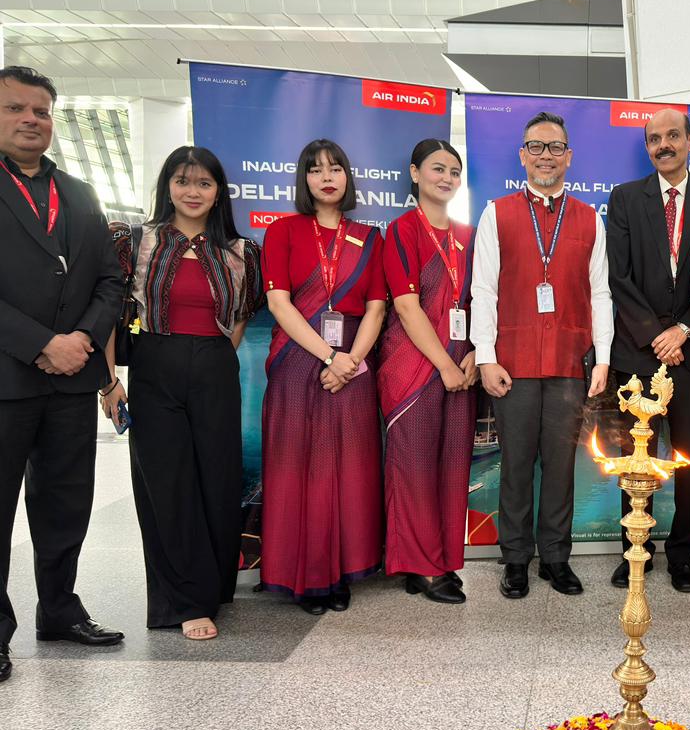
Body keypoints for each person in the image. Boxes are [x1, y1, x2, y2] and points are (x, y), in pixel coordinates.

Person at [100, 146, 264, 640]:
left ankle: (211, 589)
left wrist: (214, 357)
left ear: (219, 192)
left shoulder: (242, 251)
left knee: (218, 480)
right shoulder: (135, 241)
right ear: (167, 187)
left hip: (216, 366)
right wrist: (108, 382)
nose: (193, 191)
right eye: (182, 181)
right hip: (155, 364)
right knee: (166, 485)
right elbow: (108, 314)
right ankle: (184, 602)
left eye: (204, 183)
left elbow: (240, 316)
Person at [0, 65, 126, 681]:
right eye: (16, 108)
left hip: (71, 379)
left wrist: (82, 340)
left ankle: (59, 609)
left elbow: (110, 279)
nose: (31, 120)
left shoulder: (78, 193)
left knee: (65, 503)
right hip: (7, 378)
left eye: (42, 111)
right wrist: (41, 343)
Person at [471, 111, 612, 600]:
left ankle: (555, 557)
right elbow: (483, 290)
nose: (545, 156)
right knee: (515, 465)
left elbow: (600, 293)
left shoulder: (590, 218)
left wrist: (604, 358)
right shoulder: (497, 213)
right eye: (536, 146)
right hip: (512, 362)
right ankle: (515, 559)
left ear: (568, 157)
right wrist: (485, 356)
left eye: (554, 147)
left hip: (570, 363)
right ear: (522, 155)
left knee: (561, 465)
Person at [606, 108, 690, 594]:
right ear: (647, 147)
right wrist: (656, 335)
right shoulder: (625, 198)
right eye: (654, 138)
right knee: (634, 459)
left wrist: (683, 329)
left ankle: (683, 556)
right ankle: (632, 549)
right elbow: (618, 276)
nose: (664, 145)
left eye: (673, 136)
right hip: (638, 354)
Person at [259, 139, 386, 615]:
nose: (326, 177)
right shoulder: (283, 231)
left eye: (335, 169)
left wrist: (349, 361)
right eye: (315, 170)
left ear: (348, 177)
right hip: (297, 358)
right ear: (304, 179)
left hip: (354, 361)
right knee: (300, 468)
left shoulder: (369, 237)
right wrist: (329, 356)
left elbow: (377, 308)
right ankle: (308, 576)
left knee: (350, 469)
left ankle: (344, 571)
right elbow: (279, 304)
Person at [379, 139, 476, 605]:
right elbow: (405, 305)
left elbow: (482, 300)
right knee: (414, 469)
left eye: (454, 171)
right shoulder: (402, 230)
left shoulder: (469, 234)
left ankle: (443, 559)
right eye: (438, 169)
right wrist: (444, 364)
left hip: (462, 368)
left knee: (453, 468)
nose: (447, 178)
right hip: (414, 368)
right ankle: (419, 567)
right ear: (416, 173)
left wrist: (475, 353)